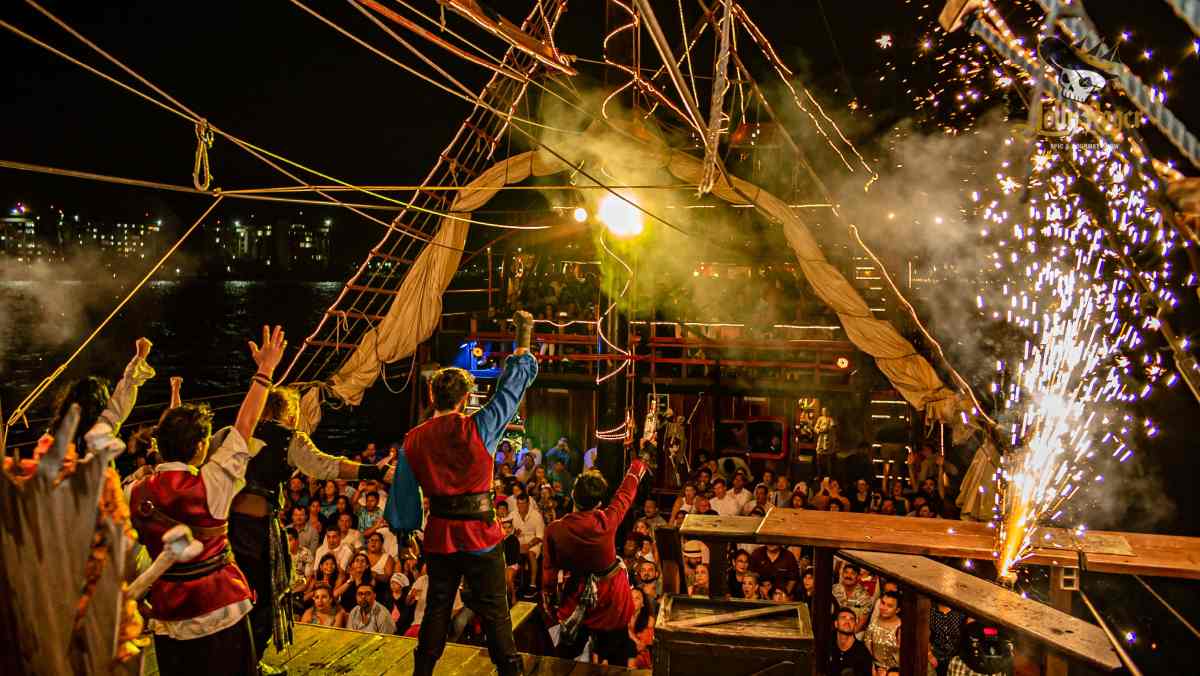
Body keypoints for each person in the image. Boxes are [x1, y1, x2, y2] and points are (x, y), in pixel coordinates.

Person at [385, 310, 538, 676]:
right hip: (481, 537)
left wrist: (406, 533)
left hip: (440, 537)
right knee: (497, 612)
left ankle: (422, 674)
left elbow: (404, 495)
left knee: (437, 606)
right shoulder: (480, 427)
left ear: (430, 394)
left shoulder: (413, 439)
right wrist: (525, 336)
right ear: (467, 397)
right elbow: (513, 387)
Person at [129, 325, 286, 676]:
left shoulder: (134, 492)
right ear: (201, 446)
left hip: (169, 614)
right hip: (220, 611)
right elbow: (244, 425)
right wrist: (265, 370)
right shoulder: (212, 483)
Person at [541, 458, 650, 664]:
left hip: (576, 593)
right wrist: (637, 465)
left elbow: (549, 570)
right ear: (599, 503)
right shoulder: (606, 520)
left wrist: (548, 596)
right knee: (616, 655)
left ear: (573, 495)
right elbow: (625, 493)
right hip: (611, 598)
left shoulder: (555, 529)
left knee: (566, 655)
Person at [864, 591, 902, 675]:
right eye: (883, 603)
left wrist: (888, 672)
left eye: (889, 606)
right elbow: (867, 647)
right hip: (874, 669)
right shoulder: (874, 621)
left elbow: (905, 659)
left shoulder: (901, 628)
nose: (883, 607)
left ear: (897, 610)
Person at [829, 606, 875, 676]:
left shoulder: (863, 653)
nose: (847, 621)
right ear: (836, 624)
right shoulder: (829, 646)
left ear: (855, 626)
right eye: (843, 618)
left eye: (851, 619)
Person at [832, 563, 875, 633]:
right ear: (842, 574)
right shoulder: (833, 590)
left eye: (853, 573)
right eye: (846, 572)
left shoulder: (864, 596)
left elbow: (862, 621)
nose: (848, 576)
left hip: (854, 633)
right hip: (833, 630)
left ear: (858, 577)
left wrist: (849, 636)